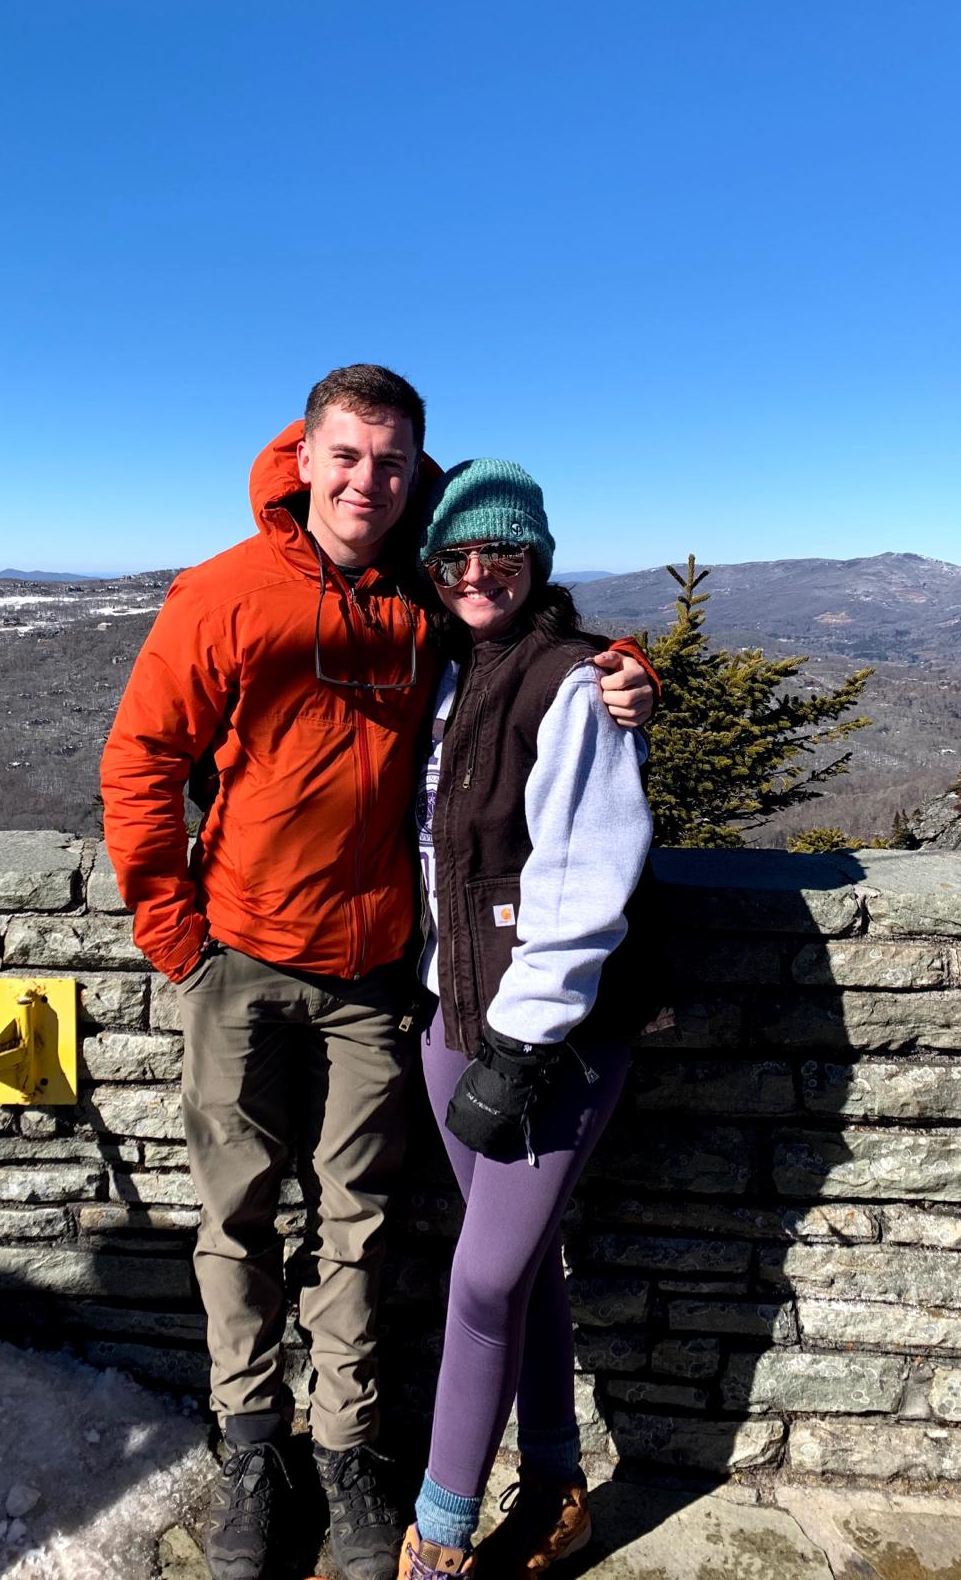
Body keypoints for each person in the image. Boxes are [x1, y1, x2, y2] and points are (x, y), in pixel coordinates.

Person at [101, 368, 656, 1580]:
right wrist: (176, 940)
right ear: (304, 457)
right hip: (238, 956)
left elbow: (523, 630)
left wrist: (618, 668)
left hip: (375, 978)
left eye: (393, 463)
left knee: (360, 1227)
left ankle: (351, 1456)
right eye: (348, 457)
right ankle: (255, 1447)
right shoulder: (225, 593)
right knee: (238, 1218)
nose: (369, 481)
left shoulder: (418, 595)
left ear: (415, 472)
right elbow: (141, 762)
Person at [398, 459, 655, 1579]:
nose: (475, 573)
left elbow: (586, 879)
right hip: (448, 1016)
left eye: (497, 552)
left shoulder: (570, 683)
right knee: (526, 1261)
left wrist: (522, 1038)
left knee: (485, 1280)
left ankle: (439, 1542)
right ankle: (558, 1491)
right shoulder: (454, 677)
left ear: (535, 559)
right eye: (453, 555)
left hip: (541, 1041)